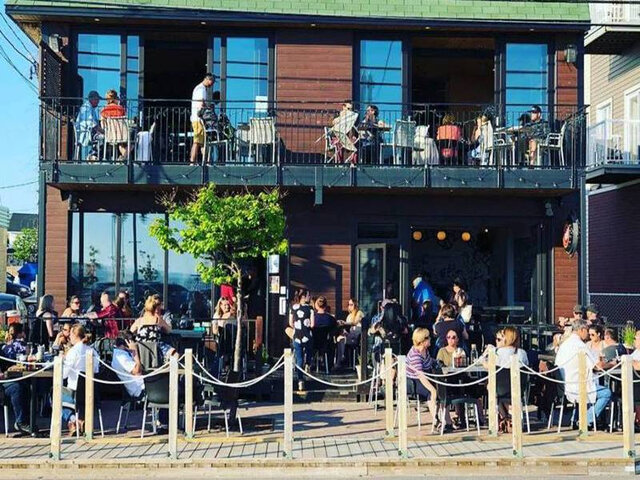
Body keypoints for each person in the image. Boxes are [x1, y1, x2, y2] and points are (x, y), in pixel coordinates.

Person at [555, 319, 611, 429]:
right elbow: (597, 366)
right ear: (581, 330)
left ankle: (576, 418)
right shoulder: (580, 345)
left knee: (592, 387)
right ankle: (586, 420)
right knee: (606, 393)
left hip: (565, 386)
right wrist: (613, 364)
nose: (588, 334)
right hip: (577, 386)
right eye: (587, 330)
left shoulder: (565, 344)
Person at [62, 324, 100, 436]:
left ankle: (73, 420)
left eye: (70, 334)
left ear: (75, 335)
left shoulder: (73, 351)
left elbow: (63, 375)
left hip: (75, 390)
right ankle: (79, 421)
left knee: (54, 394)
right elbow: (97, 369)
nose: (69, 337)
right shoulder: (92, 351)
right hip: (92, 390)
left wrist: (61, 361)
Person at [0, 324, 30, 434]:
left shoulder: (3, 348)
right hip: (2, 385)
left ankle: (25, 421)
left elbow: (4, 364)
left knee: (25, 385)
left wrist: (8, 369)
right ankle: (20, 422)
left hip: (4, 380)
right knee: (17, 388)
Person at [406, 328, 438, 423]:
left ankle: (447, 421)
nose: (430, 339)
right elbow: (420, 375)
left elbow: (430, 362)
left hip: (426, 376)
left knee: (442, 390)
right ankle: (436, 420)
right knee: (430, 392)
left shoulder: (425, 351)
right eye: (428, 337)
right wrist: (432, 389)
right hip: (414, 381)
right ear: (422, 341)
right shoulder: (415, 355)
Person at [289, 289, 314, 391]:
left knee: (299, 358)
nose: (309, 297)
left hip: (297, 335)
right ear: (304, 297)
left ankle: (300, 380)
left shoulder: (293, 307)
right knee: (309, 350)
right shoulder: (310, 308)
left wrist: (297, 326)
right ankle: (308, 364)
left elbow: (290, 323)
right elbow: (313, 324)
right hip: (307, 335)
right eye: (308, 295)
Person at [190, 73, 215, 164]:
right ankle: (192, 162)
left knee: (202, 142)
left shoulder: (199, 88)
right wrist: (208, 108)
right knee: (197, 141)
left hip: (197, 118)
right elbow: (201, 103)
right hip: (198, 119)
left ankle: (206, 161)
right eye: (212, 82)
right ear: (208, 79)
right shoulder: (201, 89)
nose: (212, 84)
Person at [111, 334, 145, 401]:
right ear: (127, 343)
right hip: (139, 389)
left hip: (140, 385)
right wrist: (135, 351)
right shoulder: (121, 357)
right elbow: (137, 371)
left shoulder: (121, 353)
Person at [335, 298, 364, 370]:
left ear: (355, 305)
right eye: (349, 304)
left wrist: (345, 323)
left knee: (343, 339)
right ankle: (341, 361)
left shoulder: (359, 313)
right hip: (350, 334)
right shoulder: (349, 316)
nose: (350, 306)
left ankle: (342, 360)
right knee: (340, 338)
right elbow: (348, 328)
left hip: (357, 335)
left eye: (351, 305)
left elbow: (355, 322)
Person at [99, 89, 129, 160]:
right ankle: (124, 156)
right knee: (131, 141)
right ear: (116, 98)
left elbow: (103, 125)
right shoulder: (121, 109)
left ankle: (122, 156)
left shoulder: (104, 110)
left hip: (110, 135)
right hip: (121, 135)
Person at [313, 296, 337, 372]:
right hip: (326, 344)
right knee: (332, 343)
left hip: (313, 343)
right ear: (326, 306)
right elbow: (334, 331)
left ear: (316, 306)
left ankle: (311, 364)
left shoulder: (312, 318)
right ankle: (329, 366)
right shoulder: (331, 319)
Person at [75, 90, 101, 161]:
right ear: (92, 99)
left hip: (89, 132)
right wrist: (103, 131)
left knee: (104, 137)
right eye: (97, 100)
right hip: (85, 132)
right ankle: (93, 155)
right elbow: (92, 124)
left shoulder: (90, 108)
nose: (98, 102)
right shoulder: (86, 108)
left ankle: (94, 155)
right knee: (104, 137)